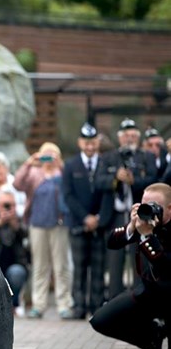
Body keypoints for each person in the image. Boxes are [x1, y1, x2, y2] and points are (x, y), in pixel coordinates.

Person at [90, 182, 171, 349]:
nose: (148, 210)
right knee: (100, 320)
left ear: (170, 208)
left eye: (153, 206)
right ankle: (152, 337)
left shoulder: (151, 228)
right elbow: (111, 242)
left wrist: (147, 236)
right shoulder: (145, 222)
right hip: (149, 293)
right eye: (144, 205)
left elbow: (165, 265)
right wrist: (132, 227)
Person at [94, 118, 157, 299]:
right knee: (115, 260)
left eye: (133, 135)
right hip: (114, 214)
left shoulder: (147, 157)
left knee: (139, 257)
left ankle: (139, 298)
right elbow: (98, 182)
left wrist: (134, 180)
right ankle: (115, 299)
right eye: (126, 136)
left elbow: (153, 181)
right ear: (120, 138)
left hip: (139, 215)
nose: (129, 139)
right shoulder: (108, 157)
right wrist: (115, 178)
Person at [14, 142, 73, 319]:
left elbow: (71, 186)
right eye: (45, 154)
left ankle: (64, 304)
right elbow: (17, 184)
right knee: (40, 266)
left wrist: (60, 165)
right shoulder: (34, 173)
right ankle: (38, 304)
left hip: (59, 224)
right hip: (37, 224)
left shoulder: (62, 173)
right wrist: (29, 162)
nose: (48, 158)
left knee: (61, 265)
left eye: (52, 154)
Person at [62, 123, 110, 320]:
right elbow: (68, 195)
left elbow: (109, 193)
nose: (90, 147)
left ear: (97, 143)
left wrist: (99, 218)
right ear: (80, 143)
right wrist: (85, 217)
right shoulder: (71, 165)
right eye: (86, 143)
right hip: (78, 225)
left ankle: (97, 306)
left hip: (100, 224)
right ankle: (79, 306)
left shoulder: (106, 164)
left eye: (93, 143)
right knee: (80, 267)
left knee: (98, 267)